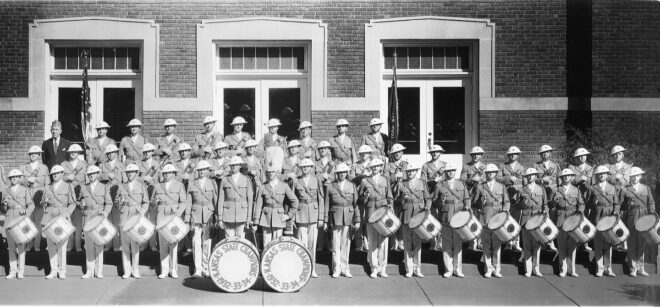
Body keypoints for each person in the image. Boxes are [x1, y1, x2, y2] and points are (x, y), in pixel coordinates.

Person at [151, 164, 190, 279]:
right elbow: (152, 202)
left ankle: (173, 270)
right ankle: (164, 270)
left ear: (173, 174)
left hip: (173, 216)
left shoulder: (179, 185)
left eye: (169, 173)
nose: (167, 174)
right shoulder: (158, 186)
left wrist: (178, 213)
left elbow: (183, 202)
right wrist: (155, 202)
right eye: (165, 173)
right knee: (162, 244)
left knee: (173, 244)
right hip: (161, 216)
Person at [357, 158, 394, 278]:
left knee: (383, 241)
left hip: (382, 212)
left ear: (381, 167)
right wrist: (365, 197)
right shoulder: (364, 181)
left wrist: (390, 207)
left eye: (377, 166)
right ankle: (374, 267)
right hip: (371, 212)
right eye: (373, 166)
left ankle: (383, 268)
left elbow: (390, 197)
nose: (374, 168)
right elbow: (359, 199)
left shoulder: (385, 180)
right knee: (372, 241)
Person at [473, 164, 510, 278]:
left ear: (496, 173)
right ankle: (488, 268)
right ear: (485, 173)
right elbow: (474, 202)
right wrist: (480, 202)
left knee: (497, 245)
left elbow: (507, 201)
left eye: (492, 172)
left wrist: (505, 210)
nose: (490, 174)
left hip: (497, 218)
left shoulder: (501, 186)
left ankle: (497, 268)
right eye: (488, 172)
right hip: (485, 217)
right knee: (486, 245)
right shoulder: (480, 186)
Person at [395, 164, 431, 278]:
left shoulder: (422, 183)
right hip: (406, 215)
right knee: (407, 243)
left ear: (416, 171)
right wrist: (402, 199)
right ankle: (409, 269)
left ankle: (417, 268)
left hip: (418, 215)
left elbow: (428, 198)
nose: (410, 173)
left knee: (417, 243)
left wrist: (427, 208)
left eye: (412, 171)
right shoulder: (402, 184)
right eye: (408, 171)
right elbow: (396, 199)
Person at [434, 163, 470, 278]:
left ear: (455, 171)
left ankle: (457, 269)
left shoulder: (461, 183)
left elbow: (467, 198)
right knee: (447, 244)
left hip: (458, 216)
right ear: (445, 172)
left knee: (458, 245)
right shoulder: (440, 185)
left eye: (452, 170)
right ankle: (448, 269)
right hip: (446, 216)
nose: (450, 172)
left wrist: (467, 206)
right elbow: (434, 201)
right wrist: (440, 201)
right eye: (448, 171)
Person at [42, 165, 76, 279]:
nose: (55, 175)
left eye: (57, 173)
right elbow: (42, 203)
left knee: (62, 245)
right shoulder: (47, 187)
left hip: (62, 215)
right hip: (50, 217)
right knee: (51, 245)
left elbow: (73, 202)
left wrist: (67, 213)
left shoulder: (68, 186)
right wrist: (44, 202)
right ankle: (53, 270)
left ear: (62, 174)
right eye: (53, 174)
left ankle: (62, 270)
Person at [325, 163, 359, 278]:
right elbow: (326, 204)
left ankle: (345, 268)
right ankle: (336, 268)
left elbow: (356, 204)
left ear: (347, 173)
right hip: (335, 216)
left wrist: (357, 219)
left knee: (346, 243)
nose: (341, 175)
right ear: (336, 174)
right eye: (339, 173)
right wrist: (325, 220)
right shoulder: (331, 186)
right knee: (335, 243)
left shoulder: (352, 185)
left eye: (343, 172)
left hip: (348, 216)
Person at [252, 163, 299, 246]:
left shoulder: (284, 186)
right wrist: (256, 221)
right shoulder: (263, 187)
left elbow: (295, 201)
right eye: (268, 172)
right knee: (266, 244)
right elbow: (258, 205)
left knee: (277, 244)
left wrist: (288, 215)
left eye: (273, 172)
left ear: (277, 172)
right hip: (266, 218)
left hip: (279, 217)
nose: (270, 174)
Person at [185, 160, 218, 278]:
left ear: (207, 170)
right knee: (195, 243)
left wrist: (217, 216)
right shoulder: (192, 184)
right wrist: (188, 217)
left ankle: (206, 268)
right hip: (195, 214)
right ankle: (197, 269)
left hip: (209, 214)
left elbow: (216, 200)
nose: (201, 172)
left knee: (207, 243)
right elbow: (188, 202)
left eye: (204, 169)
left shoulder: (213, 183)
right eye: (199, 170)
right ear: (196, 171)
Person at [116, 164, 149, 279]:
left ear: (136, 173)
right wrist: (120, 202)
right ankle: (127, 270)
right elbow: (116, 202)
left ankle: (135, 269)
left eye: (132, 172)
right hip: (124, 216)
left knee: (135, 245)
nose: (129, 174)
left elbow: (146, 202)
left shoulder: (141, 186)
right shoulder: (122, 186)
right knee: (125, 245)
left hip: (136, 216)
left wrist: (142, 212)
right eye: (128, 172)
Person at [293, 158, 325, 278]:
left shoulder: (316, 179)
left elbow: (321, 198)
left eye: (308, 166)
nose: (305, 168)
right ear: (300, 168)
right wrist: (293, 217)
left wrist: (321, 217)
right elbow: (293, 200)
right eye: (303, 167)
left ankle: (312, 268)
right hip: (301, 214)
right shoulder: (296, 181)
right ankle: (302, 268)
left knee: (312, 243)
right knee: (302, 243)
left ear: (312, 168)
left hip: (314, 214)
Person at [621, 167, 655, 277]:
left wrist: (652, 212)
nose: (635, 178)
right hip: (631, 215)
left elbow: (651, 202)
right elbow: (622, 206)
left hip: (644, 215)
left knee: (641, 243)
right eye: (632, 176)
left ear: (640, 176)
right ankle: (632, 268)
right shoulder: (625, 189)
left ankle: (640, 267)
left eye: (637, 176)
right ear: (630, 177)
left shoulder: (646, 188)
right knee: (631, 243)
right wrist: (627, 204)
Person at [79, 165, 112, 279]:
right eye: (90, 174)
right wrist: (82, 207)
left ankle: (99, 271)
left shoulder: (104, 187)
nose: (92, 176)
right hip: (88, 218)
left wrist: (106, 213)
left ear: (98, 174)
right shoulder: (84, 188)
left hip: (99, 217)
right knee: (88, 245)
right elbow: (80, 202)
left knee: (99, 244)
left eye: (94, 174)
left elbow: (109, 203)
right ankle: (89, 270)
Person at [551, 168, 584, 278]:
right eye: (564, 176)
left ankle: (571, 269)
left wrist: (579, 212)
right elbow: (551, 206)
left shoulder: (576, 190)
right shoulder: (556, 190)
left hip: (572, 219)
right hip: (560, 219)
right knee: (561, 246)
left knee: (572, 246)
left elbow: (581, 204)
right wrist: (553, 202)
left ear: (571, 177)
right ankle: (563, 269)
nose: (566, 177)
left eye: (568, 176)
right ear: (561, 178)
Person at [2, 169, 34, 279]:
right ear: (10, 179)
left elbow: (31, 205)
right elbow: (3, 209)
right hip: (10, 219)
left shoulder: (24, 190)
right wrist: (4, 204)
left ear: (19, 178)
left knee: (21, 246)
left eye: (16, 177)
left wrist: (26, 212)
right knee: (11, 247)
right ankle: (12, 270)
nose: (14, 179)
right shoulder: (6, 191)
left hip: (20, 219)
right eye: (12, 177)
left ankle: (21, 271)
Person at [517, 168, 548, 278]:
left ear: (535, 176)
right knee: (526, 245)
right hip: (526, 218)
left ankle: (536, 269)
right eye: (528, 175)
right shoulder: (522, 190)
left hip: (537, 218)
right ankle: (528, 269)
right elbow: (517, 206)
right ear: (526, 177)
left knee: (537, 245)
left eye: (532, 175)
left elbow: (545, 204)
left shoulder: (541, 189)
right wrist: (522, 202)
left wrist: (545, 213)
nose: (530, 177)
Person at [20, 146, 50, 252]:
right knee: (28, 221)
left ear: (39, 155)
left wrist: (46, 197)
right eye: (31, 153)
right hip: (27, 196)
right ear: (29, 155)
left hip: (39, 197)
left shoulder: (44, 167)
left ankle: (37, 245)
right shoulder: (23, 167)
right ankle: (29, 244)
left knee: (38, 223)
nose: (33, 155)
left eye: (36, 153)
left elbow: (47, 184)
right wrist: (27, 181)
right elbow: (19, 182)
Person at [218, 156, 253, 239]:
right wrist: (220, 217)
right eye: (232, 165)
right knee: (229, 241)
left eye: (236, 165)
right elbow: (221, 200)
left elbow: (250, 200)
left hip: (242, 214)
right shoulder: (225, 180)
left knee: (241, 241)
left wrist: (248, 218)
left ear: (240, 165)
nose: (234, 167)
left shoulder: (246, 180)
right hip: (228, 215)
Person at [100, 144, 126, 251]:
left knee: (116, 222)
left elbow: (125, 180)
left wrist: (116, 177)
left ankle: (116, 245)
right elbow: (98, 178)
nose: (111, 155)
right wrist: (107, 176)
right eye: (109, 153)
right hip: (106, 195)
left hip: (116, 195)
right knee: (107, 222)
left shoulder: (121, 165)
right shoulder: (102, 165)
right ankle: (107, 245)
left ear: (116, 153)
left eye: (113, 153)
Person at [61, 144, 87, 252]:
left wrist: (85, 196)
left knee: (79, 221)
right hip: (68, 194)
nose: (73, 153)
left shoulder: (84, 164)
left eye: (76, 151)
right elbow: (59, 178)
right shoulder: (64, 164)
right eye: (72, 151)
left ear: (79, 153)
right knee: (68, 221)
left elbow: (87, 179)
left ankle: (78, 245)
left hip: (80, 193)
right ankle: (70, 245)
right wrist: (67, 177)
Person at [461, 146, 487, 250]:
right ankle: (472, 242)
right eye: (473, 154)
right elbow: (462, 179)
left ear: (481, 155)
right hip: (470, 195)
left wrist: (481, 179)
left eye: (478, 154)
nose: (475, 156)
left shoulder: (485, 167)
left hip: (481, 196)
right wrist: (472, 179)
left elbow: (488, 180)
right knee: (471, 218)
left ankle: (480, 241)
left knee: (480, 218)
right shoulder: (466, 166)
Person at [534, 145, 559, 252]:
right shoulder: (536, 166)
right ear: (540, 155)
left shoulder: (555, 165)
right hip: (541, 193)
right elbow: (533, 179)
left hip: (552, 194)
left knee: (552, 217)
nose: (545, 154)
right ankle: (543, 241)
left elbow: (559, 180)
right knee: (542, 216)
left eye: (547, 152)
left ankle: (551, 241)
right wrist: (541, 180)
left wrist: (552, 183)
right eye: (543, 153)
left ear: (550, 153)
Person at [500, 146, 525, 252]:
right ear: (508, 155)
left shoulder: (522, 167)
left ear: (518, 155)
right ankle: (508, 242)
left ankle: (516, 242)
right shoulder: (503, 166)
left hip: (517, 197)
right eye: (510, 154)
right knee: (507, 220)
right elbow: (498, 178)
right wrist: (508, 178)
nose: (513, 155)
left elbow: (524, 182)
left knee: (517, 221)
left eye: (515, 154)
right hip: (506, 197)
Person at [421, 144, 446, 251]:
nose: (434, 153)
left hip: (441, 196)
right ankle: (432, 241)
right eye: (432, 152)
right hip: (430, 196)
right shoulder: (426, 166)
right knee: (431, 219)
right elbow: (422, 181)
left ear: (440, 153)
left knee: (441, 218)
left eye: (437, 152)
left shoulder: (445, 165)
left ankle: (440, 241)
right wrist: (432, 181)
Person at [607, 145, 632, 252]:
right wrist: (615, 177)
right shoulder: (608, 166)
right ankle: (615, 241)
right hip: (611, 195)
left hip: (624, 196)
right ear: (612, 156)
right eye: (615, 154)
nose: (617, 155)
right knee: (613, 217)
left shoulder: (628, 167)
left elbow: (627, 180)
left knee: (624, 218)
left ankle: (625, 242)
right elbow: (606, 178)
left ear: (623, 154)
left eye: (620, 153)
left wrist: (620, 179)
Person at [569, 147, 594, 252]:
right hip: (574, 196)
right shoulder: (572, 167)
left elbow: (592, 181)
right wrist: (580, 178)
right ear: (576, 158)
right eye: (579, 156)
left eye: (583, 155)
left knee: (585, 220)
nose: (582, 158)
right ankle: (574, 242)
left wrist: (585, 181)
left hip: (586, 197)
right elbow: (570, 179)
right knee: (574, 218)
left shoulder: (591, 168)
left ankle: (585, 242)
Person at [138, 143, 161, 252]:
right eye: (145, 152)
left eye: (149, 151)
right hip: (143, 194)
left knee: (152, 221)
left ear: (152, 152)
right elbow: (136, 180)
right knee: (143, 220)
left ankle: (152, 244)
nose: (147, 153)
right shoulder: (139, 164)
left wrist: (153, 180)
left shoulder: (157, 164)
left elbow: (161, 180)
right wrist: (143, 179)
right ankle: (143, 243)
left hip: (153, 194)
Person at [351, 144, 373, 251]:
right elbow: (351, 178)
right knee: (358, 219)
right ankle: (359, 244)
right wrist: (361, 177)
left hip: (369, 196)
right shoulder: (355, 165)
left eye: (366, 153)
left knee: (368, 220)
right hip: (358, 195)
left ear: (369, 154)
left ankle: (368, 243)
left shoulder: (373, 164)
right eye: (362, 154)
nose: (364, 155)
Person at [385, 143, 407, 251]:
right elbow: (385, 179)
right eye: (395, 153)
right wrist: (394, 176)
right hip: (391, 195)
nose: (397, 154)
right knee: (392, 218)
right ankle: (393, 242)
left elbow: (409, 178)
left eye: (399, 152)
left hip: (402, 194)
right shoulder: (388, 166)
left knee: (402, 218)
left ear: (402, 153)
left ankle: (401, 241)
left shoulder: (406, 165)